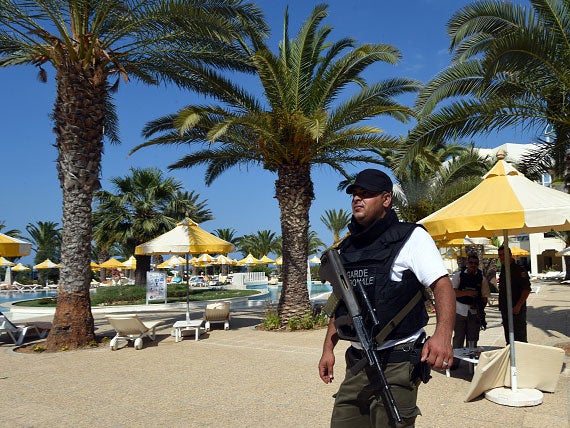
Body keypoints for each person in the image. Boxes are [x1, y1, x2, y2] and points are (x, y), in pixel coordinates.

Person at [318, 168, 455, 428]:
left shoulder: (411, 237)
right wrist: (328, 349)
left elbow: (442, 285)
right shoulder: (346, 248)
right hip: (357, 362)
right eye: (355, 194)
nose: (357, 199)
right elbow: (342, 304)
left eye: (366, 194)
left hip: (397, 361)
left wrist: (443, 335)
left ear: (386, 199)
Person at [450, 253, 490, 369]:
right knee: (458, 338)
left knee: (472, 340)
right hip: (459, 311)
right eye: (471, 263)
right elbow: (453, 292)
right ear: (467, 263)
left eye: (475, 263)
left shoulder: (481, 279)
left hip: (474, 313)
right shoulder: (458, 276)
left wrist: (480, 308)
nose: (473, 265)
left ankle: (471, 365)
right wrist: (467, 293)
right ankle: (455, 362)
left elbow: (484, 297)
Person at [498, 245, 531, 344]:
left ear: (510, 255)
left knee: (520, 339)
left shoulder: (518, 270)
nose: (502, 257)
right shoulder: (504, 268)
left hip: (516, 310)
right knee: (509, 339)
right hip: (505, 309)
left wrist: (518, 305)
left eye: (504, 254)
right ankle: (511, 358)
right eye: (500, 255)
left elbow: (526, 289)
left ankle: (522, 358)